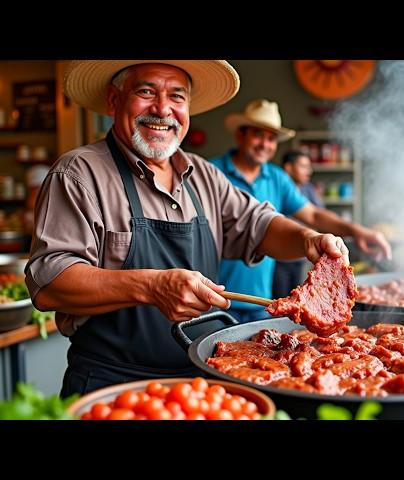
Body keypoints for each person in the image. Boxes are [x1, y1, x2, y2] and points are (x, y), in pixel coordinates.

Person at [24, 61, 351, 397]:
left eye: (177, 97)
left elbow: (259, 223)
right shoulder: (80, 173)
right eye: (146, 91)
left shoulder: (203, 174)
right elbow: (50, 283)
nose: (163, 109)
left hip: (198, 383)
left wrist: (306, 238)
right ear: (113, 100)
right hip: (112, 384)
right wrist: (152, 286)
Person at [209, 99, 391, 323]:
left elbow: (313, 215)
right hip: (215, 298)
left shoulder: (277, 177)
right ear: (240, 135)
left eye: (271, 138)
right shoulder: (212, 173)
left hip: (260, 299)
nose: (264, 144)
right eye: (258, 135)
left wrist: (357, 231)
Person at [273, 150, 324, 298]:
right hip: (279, 258)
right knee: (280, 299)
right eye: (303, 166)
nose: (309, 171)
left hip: (303, 257)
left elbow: (318, 215)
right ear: (288, 168)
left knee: (300, 297)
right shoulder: (277, 189)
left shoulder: (309, 190)